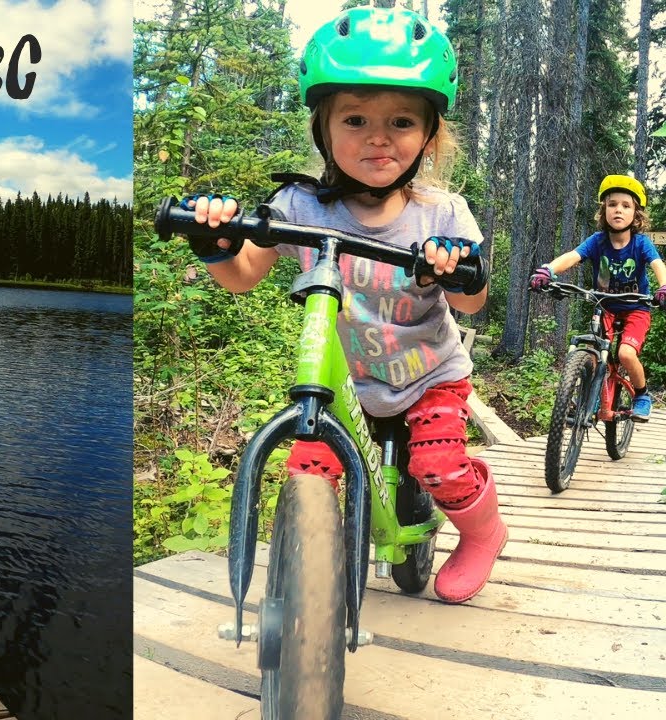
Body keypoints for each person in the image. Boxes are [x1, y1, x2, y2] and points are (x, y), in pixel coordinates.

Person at [184, 6, 505, 604]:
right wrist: (217, 242)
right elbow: (243, 275)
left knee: (439, 464)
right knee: (309, 468)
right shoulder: (299, 206)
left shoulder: (441, 214)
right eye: (355, 118)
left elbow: (473, 300)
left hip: (428, 377)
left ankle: (483, 535)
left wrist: (453, 263)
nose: (378, 137)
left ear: (430, 137)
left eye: (402, 121)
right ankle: (311, 576)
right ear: (323, 128)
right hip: (343, 385)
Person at [530, 174, 666, 421]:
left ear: (636, 214)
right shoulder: (597, 241)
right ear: (604, 211)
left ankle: (642, 394)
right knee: (593, 352)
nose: (618, 210)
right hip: (605, 307)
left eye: (626, 206)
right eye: (612, 204)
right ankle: (591, 398)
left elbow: (658, 265)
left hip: (636, 308)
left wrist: (664, 287)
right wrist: (548, 270)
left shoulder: (641, 244)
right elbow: (572, 256)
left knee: (625, 353)